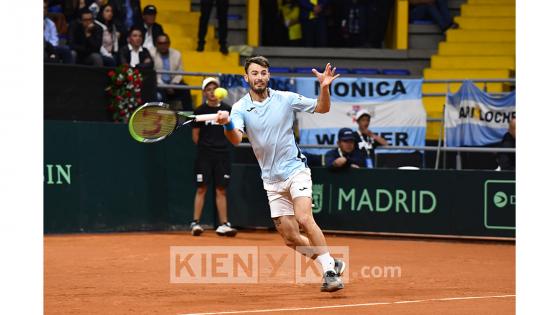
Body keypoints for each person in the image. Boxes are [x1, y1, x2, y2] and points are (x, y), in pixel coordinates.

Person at [215, 56, 345, 292]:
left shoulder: (286, 98)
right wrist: (227, 125)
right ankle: (331, 261)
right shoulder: (239, 108)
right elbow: (235, 140)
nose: (259, 77)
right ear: (247, 78)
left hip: (296, 170)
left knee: (304, 218)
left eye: (263, 72)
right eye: (254, 73)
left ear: (269, 75)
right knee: (290, 237)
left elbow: (322, 108)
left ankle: (329, 273)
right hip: (271, 180)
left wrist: (324, 88)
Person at [189, 77, 237, 237]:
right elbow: (195, 137)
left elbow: (232, 133)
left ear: (219, 91)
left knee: (221, 189)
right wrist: (206, 147)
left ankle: (224, 224)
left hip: (222, 154)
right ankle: (195, 223)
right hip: (204, 155)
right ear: (204, 93)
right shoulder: (199, 111)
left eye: (214, 89)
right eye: (208, 89)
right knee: (201, 188)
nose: (211, 92)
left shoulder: (227, 110)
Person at [151, 34, 193, 111]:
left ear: (169, 44)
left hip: (173, 83)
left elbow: (180, 71)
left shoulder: (176, 54)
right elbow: (153, 73)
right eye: (160, 43)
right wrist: (165, 86)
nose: (163, 45)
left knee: (185, 89)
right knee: (158, 93)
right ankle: (163, 117)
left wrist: (173, 84)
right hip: (159, 84)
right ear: (156, 44)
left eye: (165, 43)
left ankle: (189, 116)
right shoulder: (151, 54)